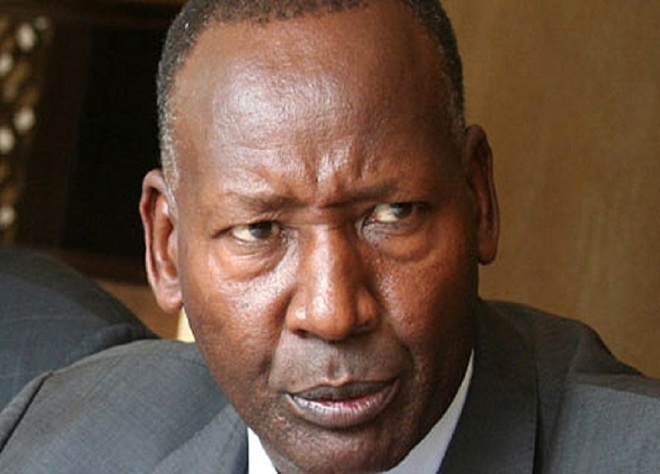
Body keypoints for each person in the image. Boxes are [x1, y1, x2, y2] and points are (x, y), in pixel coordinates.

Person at [0, 0, 659, 472]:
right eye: (259, 230)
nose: (334, 312)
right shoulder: (63, 438)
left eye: (393, 214)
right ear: (166, 247)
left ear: (478, 198)